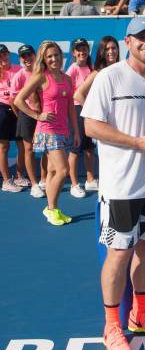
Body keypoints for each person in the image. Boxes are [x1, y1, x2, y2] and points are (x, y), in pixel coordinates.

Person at [82, 17, 145, 350]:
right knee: (119, 254)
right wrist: (137, 143)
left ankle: (141, 315)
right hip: (121, 186)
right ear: (128, 41)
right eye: (140, 37)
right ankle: (111, 325)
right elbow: (92, 126)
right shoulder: (109, 77)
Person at [15, 41, 80, 226]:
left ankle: (53, 208)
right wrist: (38, 115)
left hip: (63, 130)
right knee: (63, 170)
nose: (54, 59)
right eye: (49, 56)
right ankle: (51, 209)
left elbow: (70, 108)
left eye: (56, 55)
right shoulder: (40, 78)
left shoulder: (67, 79)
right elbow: (19, 100)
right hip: (48, 130)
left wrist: (75, 130)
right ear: (44, 59)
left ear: (62, 56)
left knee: (52, 170)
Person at [11, 44, 45, 198]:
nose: (27, 59)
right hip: (27, 116)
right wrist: (24, 115)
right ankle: (34, 184)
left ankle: (44, 179)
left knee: (46, 148)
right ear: (20, 59)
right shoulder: (19, 76)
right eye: (23, 57)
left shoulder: (44, 73)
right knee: (29, 149)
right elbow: (14, 100)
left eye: (29, 55)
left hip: (45, 115)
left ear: (35, 56)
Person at [66, 38, 97, 198]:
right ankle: (74, 184)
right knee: (75, 148)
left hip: (91, 111)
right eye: (78, 49)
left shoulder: (92, 68)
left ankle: (90, 180)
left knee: (90, 148)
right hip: (77, 110)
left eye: (84, 48)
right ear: (73, 53)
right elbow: (66, 92)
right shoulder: (72, 69)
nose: (81, 52)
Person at [0, 44, 22, 192]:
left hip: (19, 110)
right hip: (2, 109)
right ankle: (6, 181)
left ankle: (20, 176)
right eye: (0, 55)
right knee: (4, 147)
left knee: (23, 145)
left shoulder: (18, 70)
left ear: (9, 54)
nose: (3, 57)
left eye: (4, 54)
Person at [74, 36, 120, 105]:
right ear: (102, 52)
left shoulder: (122, 69)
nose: (111, 51)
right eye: (107, 49)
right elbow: (78, 95)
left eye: (113, 48)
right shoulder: (98, 73)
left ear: (118, 50)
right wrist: (90, 114)